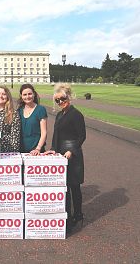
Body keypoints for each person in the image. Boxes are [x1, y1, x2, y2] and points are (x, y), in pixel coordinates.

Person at [45, 83, 86, 233]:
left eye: (62, 98)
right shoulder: (60, 114)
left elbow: (82, 136)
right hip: (61, 152)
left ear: (68, 96)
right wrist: (52, 150)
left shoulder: (76, 114)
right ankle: (67, 216)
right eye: (57, 100)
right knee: (64, 187)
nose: (60, 102)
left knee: (74, 186)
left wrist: (71, 151)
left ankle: (79, 215)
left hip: (72, 154)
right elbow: (56, 135)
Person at [17, 84, 47, 155]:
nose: (27, 96)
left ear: (34, 94)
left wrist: (38, 148)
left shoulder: (40, 109)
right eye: (24, 94)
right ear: (21, 96)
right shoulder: (19, 111)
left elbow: (44, 133)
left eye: (30, 94)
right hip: (22, 150)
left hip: (36, 151)